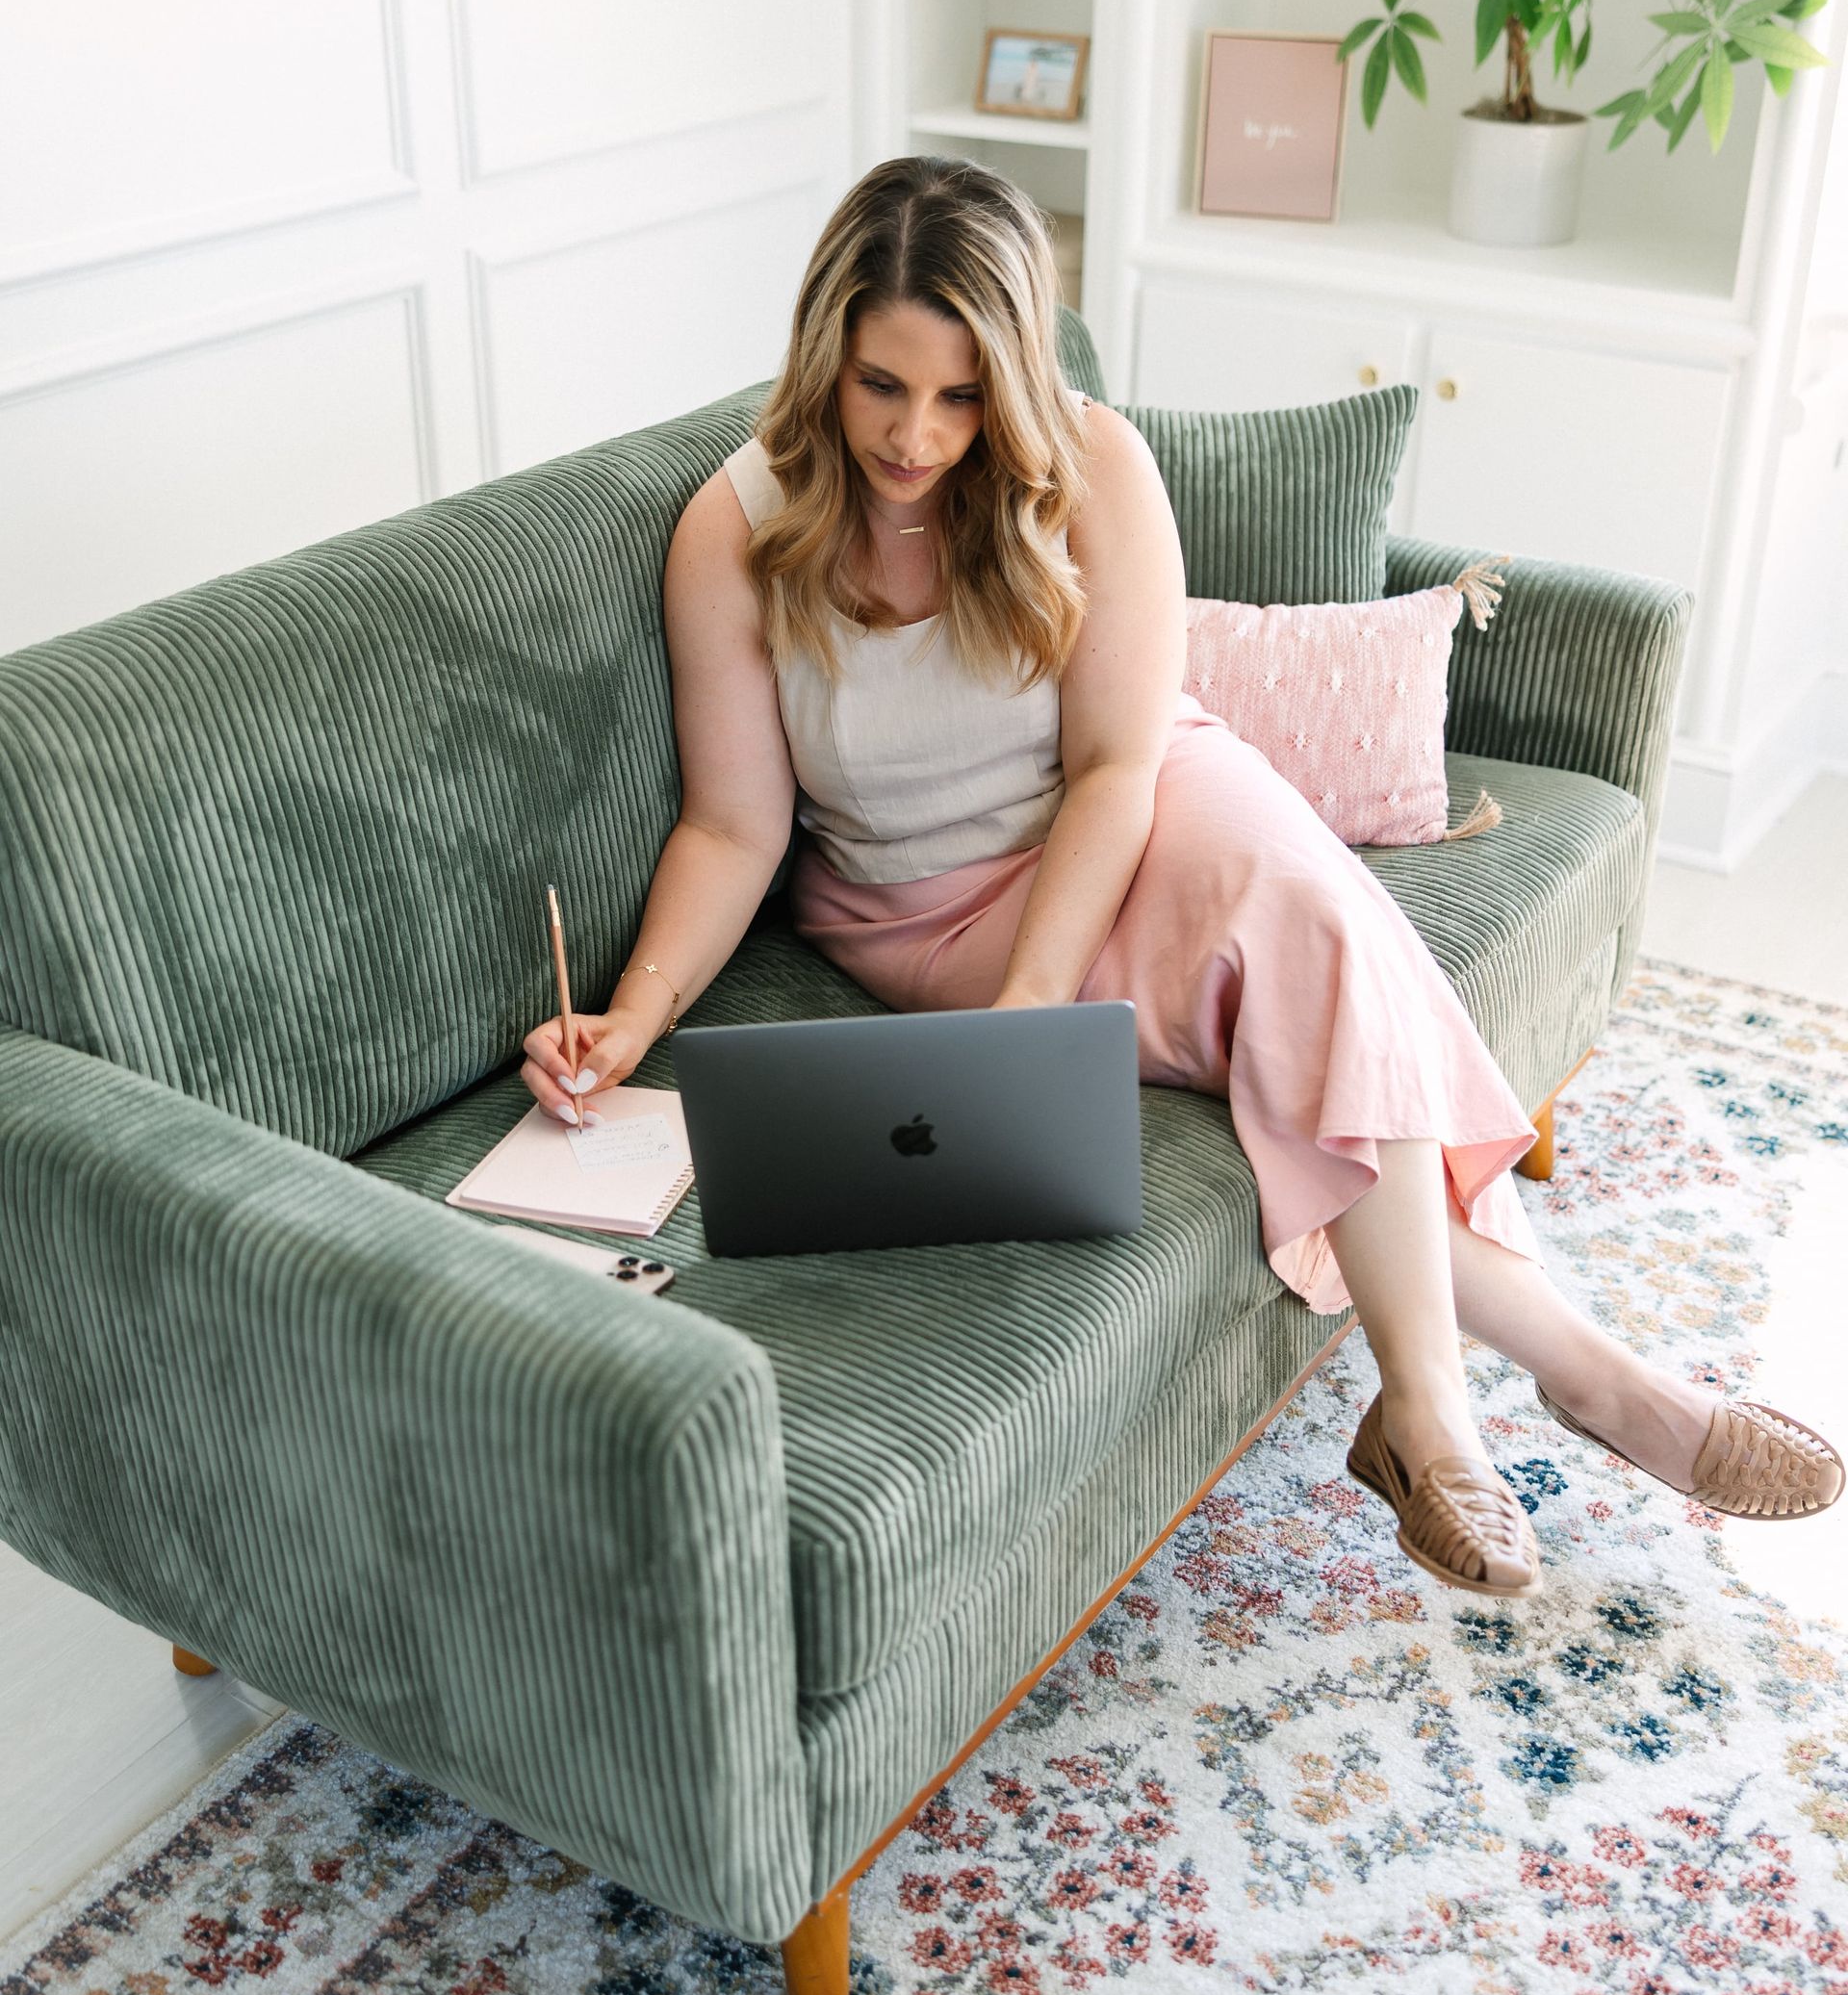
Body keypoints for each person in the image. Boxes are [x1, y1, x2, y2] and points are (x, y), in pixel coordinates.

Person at [522, 156, 1841, 1599]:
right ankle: (1600, 1392)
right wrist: (632, 1019)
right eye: (880, 386)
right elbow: (735, 828)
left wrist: (1032, 1001)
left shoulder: (1093, 467)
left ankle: (1437, 1409)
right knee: (1309, 1025)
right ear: (824, 356)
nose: (916, 436)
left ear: (1014, 378)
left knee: (1322, 923)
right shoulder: (737, 527)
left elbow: (1114, 767)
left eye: (962, 398)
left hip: (1133, 791)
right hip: (923, 897)